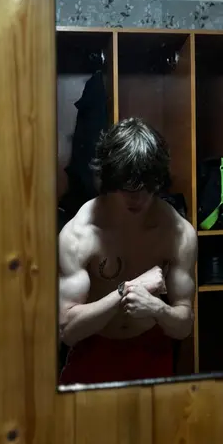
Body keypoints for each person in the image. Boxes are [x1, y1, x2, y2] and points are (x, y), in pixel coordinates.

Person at [58, 117, 197, 384]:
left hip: (151, 348)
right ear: (111, 180)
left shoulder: (177, 233)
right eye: (127, 188)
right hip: (93, 348)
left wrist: (157, 308)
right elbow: (68, 332)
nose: (138, 197)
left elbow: (183, 327)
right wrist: (127, 290)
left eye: (146, 186)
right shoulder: (79, 234)